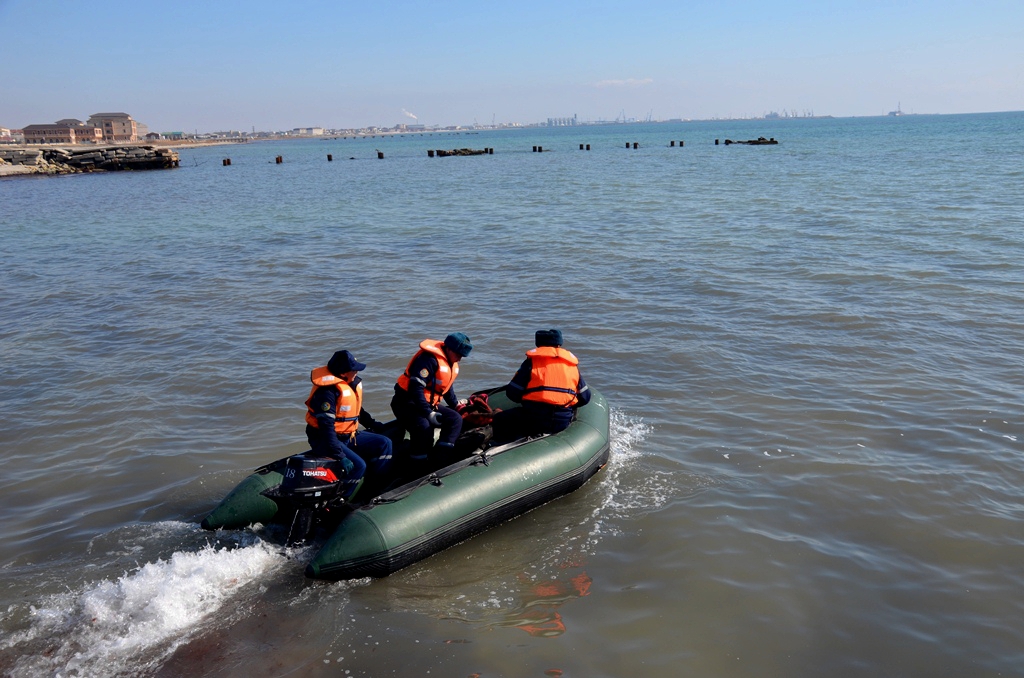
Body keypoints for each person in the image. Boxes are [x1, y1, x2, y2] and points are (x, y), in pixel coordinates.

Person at [305, 350, 393, 498]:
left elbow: (356, 410)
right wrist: (339, 456)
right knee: (358, 466)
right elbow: (326, 429)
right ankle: (340, 500)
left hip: (348, 436)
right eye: (354, 369)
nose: (357, 372)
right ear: (344, 373)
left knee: (385, 443)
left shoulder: (349, 384)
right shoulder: (327, 393)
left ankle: (374, 490)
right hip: (325, 439)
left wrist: (373, 424)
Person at [391, 332, 473, 474]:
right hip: (406, 403)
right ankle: (417, 468)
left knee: (455, 419)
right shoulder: (428, 360)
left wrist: (456, 405)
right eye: (458, 354)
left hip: (428, 403)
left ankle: (440, 459)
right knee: (423, 428)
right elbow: (415, 389)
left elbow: (446, 388)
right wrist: (428, 413)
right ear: (448, 349)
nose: (460, 359)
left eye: (462, 356)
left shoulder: (450, 362)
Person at [492, 329, 591, 440]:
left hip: (534, 419)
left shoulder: (531, 362)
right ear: (559, 344)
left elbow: (512, 393)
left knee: (498, 418)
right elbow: (585, 397)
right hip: (562, 421)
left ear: (538, 345)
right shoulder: (571, 365)